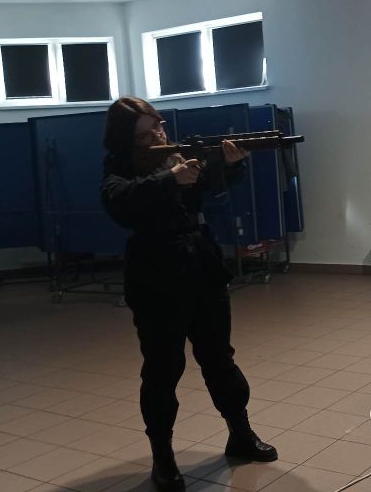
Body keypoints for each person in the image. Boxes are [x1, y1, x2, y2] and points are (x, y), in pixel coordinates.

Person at [101, 96, 277, 492]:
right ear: (127, 138)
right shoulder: (119, 165)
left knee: (219, 359)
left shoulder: (175, 155)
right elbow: (118, 202)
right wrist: (170, 179)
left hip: (200, 263)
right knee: (162, 369)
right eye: (148, 131)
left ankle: (240, 433)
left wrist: (231, 165)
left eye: (159, 125)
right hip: (155, 272)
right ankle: (163, 457)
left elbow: (206, 190)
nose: (158, 134)